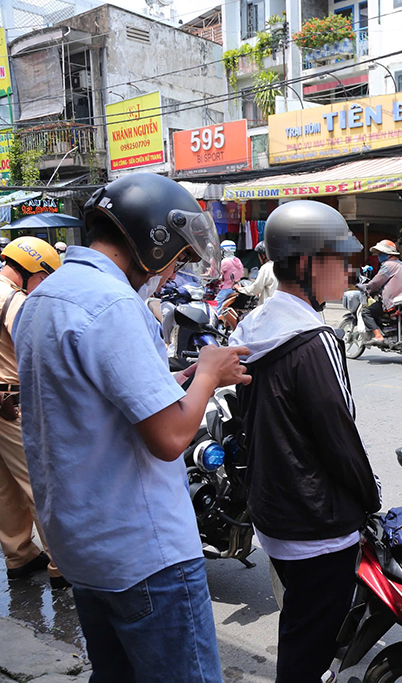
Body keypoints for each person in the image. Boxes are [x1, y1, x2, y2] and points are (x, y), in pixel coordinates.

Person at [14, 173, 250, 682]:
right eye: (176, 259)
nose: (171, 274)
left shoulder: (45, 297)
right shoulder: (115, 304)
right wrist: (208, 375)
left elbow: (90, 399)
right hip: (145, 555)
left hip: (82, 545)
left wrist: (178, 381)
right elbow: (168, 438)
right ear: (151, 240)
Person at [230, 201, 381, 683]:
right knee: (309, 644)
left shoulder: (253, 327)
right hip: (318, 526)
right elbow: (341, 440)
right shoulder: (315, 340)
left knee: (298, 622)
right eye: (338, 260)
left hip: (274, 515)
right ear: (306, 265)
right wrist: (371, 500)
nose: (349, 270)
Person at [0, 238, 68, 589]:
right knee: (40, 483)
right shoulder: (13, 300)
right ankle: (61, 563)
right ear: (33, 271)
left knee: (6, 487)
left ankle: (19, 555)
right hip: (12, 405)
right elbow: (37, 349)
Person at [359, 239, 402, 343]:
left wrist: (365, 287)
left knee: (366, 312)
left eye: (381, 253)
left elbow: (376, 282)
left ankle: (378, 336)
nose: (379, 256)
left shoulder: (388, 266)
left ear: (388, 254)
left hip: (395, 301)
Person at [235, 240, 278, 304]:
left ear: (263, 255)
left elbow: (255, 289)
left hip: (269, 306)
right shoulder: (278, 265)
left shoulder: (266, 268)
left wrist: (240, 289)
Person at [217, 239, 244, 310]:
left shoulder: (225, 261)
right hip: (236, 287)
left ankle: (215, 318)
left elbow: (217, 274)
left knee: (216, 304)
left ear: (225, 250)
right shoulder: (237, 260)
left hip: (227, 288)